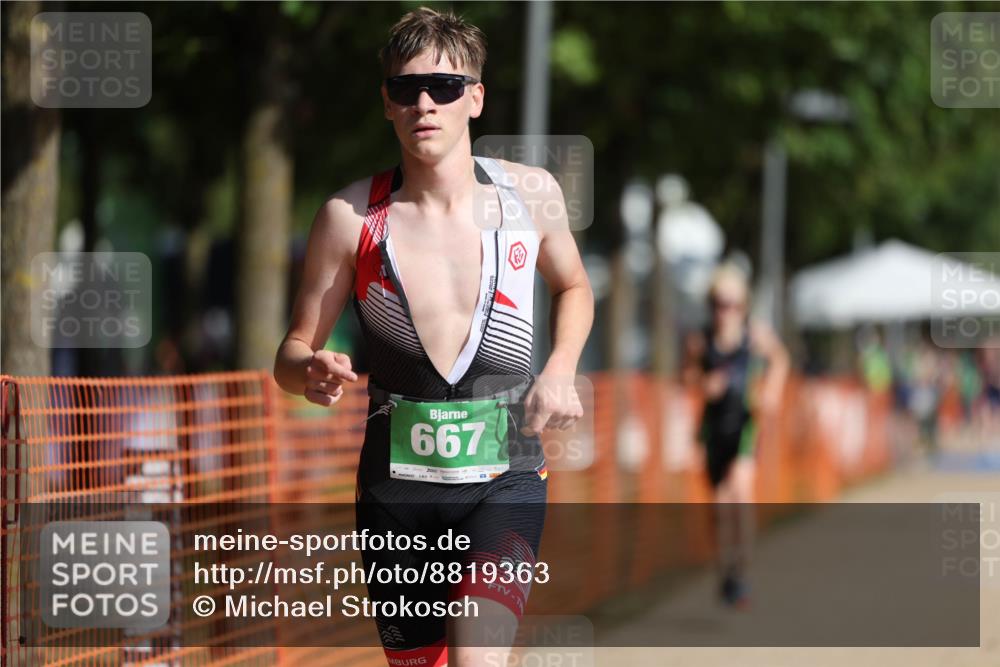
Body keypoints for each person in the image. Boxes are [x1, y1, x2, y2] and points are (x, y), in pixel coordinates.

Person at [273, 8, 593, 666]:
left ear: (475, 98)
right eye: (405, 89)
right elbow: (289, 352)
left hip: (506, 475)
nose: (425, 103)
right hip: (396, 492)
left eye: (444, 87)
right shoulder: (348, 217)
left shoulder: (532, 195)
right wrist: (309, 368)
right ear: (386, 104)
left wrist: (560, 368)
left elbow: (575, 287)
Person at [682, 261, 788, 608]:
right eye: (718, 304)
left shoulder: (754, 334)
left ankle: (741, 571)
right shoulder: (700, 341)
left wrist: (771, 390)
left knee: (740, 494)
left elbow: (780, 360)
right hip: (714, 430)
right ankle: (726, 569)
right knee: (720, 506)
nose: (724, 312)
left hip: (744, 425)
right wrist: (703, 384)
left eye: (731, 305)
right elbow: (686, 377)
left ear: (742, 306)